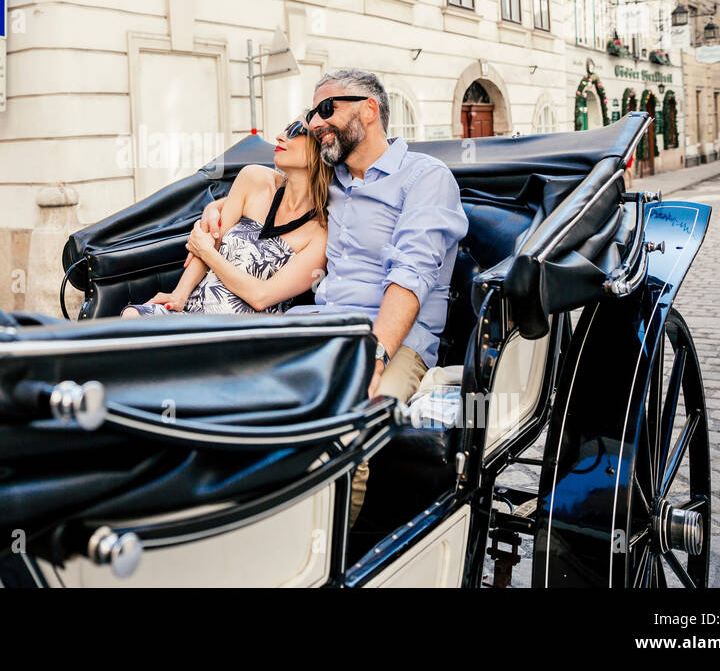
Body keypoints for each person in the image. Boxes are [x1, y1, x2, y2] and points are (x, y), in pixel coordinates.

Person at [193, 70, 469, 521]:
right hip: (323, 324)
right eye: (310, 113)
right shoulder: (332, 179)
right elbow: (265, 188)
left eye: (326, 110)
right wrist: (213, 209)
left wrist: (373, 359)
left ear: (369, 109)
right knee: (229, 389)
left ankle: (321, 557)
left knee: (347, 431)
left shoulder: (425, 178)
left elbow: (410, 275)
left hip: (391, 342)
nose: (316, 122)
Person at [123, 119, 329, 317]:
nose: (280, 137)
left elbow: (261, 297)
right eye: (286, 128)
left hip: (241, 333)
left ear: (320, 149)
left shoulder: (321, 233)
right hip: (195, 309)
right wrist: (179, 294)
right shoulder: (254, 178)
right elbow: (215, 238)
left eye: (295, 131)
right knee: (132, 317)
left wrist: (206, 252)